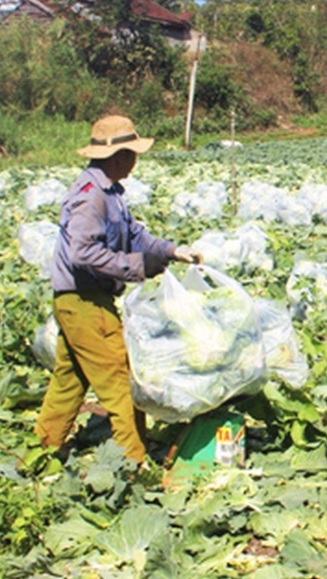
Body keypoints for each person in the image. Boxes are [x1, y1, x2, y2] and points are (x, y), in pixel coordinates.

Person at [34, 113, 202, 464]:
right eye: (133, 153)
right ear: (119, 156)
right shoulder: (90, 196)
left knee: (70, 380)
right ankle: (133, 465)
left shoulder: (111, 192)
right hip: (83, 303)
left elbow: (136, 234)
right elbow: (84, 253)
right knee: (121, 382)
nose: (136, 160)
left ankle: (41, 451)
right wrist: (137, 267)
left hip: (83, 303)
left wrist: (172, 251)